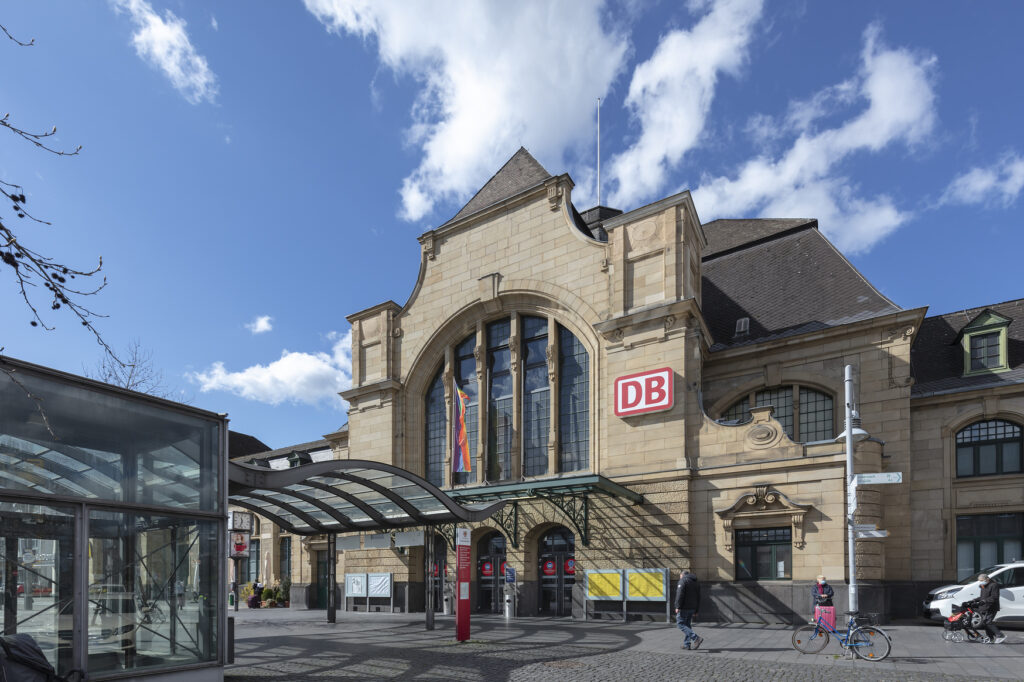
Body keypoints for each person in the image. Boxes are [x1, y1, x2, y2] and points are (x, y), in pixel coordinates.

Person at [674, 569, 703, 650]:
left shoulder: (683, 581)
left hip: (684, 607)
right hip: (692, 608)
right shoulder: (696, 582)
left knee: (680, 624)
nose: (680, 578)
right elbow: (698, 597)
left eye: (680, 577)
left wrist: (677, 606)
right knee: (687, 625)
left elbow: (679, 594)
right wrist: (696, 610)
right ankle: (687, 644)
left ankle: (696, 638)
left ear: (682, 575)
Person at [976, 573, 1007, 644]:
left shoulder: (994, 585)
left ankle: (1000, 635)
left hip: (992, 607)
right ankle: (990, 638)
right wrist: (974, 600)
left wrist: (984, 601)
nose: (981, 582)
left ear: (987, 579)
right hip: (985, 607)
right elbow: (982, 597)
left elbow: (994, 597)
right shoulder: (983, 586)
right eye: (980, 581)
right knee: (985, 622)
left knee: (988, 622)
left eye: (982, 580)